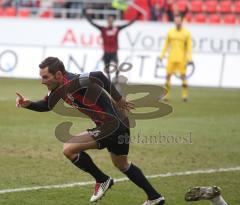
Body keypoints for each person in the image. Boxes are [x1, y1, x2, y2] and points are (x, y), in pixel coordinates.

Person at [15, 57, 165, 205]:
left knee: (69, 148)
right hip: (120, 124)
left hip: (111, 126)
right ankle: (154, 197)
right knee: (122, 164)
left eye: (45, 77)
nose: (42, 81)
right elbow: (47, 105)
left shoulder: (75, 82)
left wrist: (118, 99)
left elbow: (99, 75)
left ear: (59, 75)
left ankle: (102, 179)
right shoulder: (56, 89)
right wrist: (28, 104)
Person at [85, 10, 139, 81]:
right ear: (107, 21)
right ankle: (109, 81)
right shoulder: (103, 29)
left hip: (114, 52)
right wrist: (85, 15)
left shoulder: (116, 29)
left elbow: (128, 24)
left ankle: (116, 78)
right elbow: (92, 23)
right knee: (107, 69)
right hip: (106, 52)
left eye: (111, 20)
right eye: (109, 20)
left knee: (116, 67)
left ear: (113, 21)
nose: (110, 22)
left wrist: (137, 16)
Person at [159, 13, 193, 102]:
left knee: (183, 76)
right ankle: (166, 96)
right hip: (171, 58)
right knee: (168, 76)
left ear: (181, 21)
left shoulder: (186, 33)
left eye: (178, 21)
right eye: (175, 21)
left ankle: (184, 96)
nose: (177, 22)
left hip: (182, 58)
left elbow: (189, 47)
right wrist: (162, 55)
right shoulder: (171, 32)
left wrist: (189, 58)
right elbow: (166, 45)